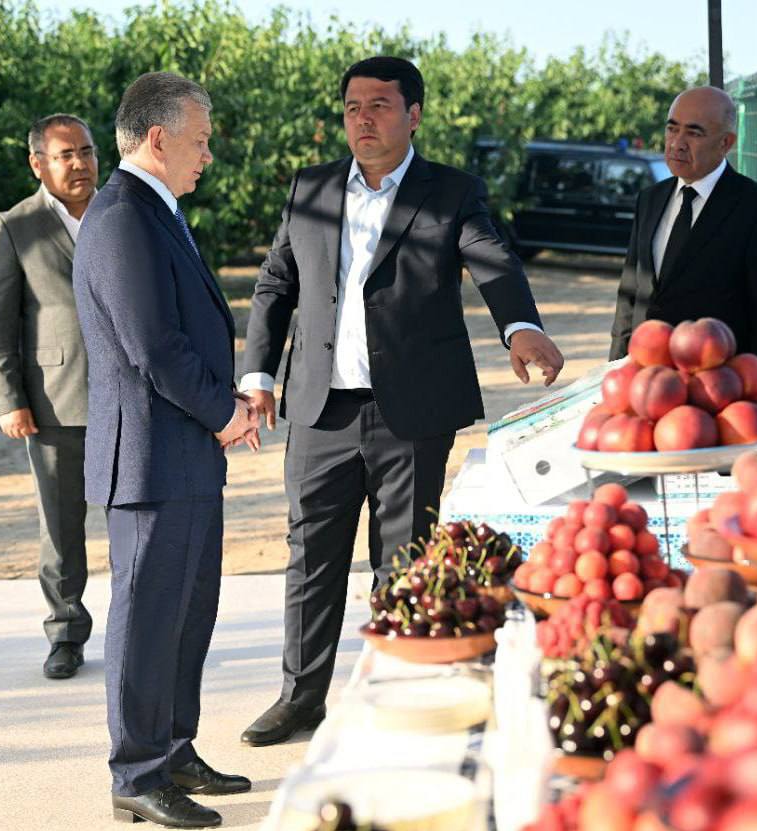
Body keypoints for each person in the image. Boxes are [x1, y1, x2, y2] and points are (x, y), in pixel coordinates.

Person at [238, 56, 565, 747]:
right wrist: (258, 373)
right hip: (321, 409)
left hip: (410, 412)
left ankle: (400, 694)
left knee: (405, 562)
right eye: (353, 107)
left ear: (413, 115)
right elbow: (275, 283)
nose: (364, 119)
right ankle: (300, 699)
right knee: (311, 558)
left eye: (380, 106)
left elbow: (493, 260)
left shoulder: (451, 192)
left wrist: (521, 326)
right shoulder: (311, 188)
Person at [73, 71, 256, 830]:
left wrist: (223, 405)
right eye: (200, 141)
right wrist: (225, 413)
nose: (207, 156)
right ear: (158, 138)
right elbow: (152, 346)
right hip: (151, 458)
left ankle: (174, 751)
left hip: (182, 454)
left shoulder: (157, 210)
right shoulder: (123, 216)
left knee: (187, 614)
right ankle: (137, 772)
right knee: (148, 619)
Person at [0, 113, 98, 680]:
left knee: (139, 520)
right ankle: (66, 634)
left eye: (86, 151)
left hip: (131, 396)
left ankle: (143, 632)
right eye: (65, 155)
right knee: (61, 525)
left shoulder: (123, 212)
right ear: (38, 164)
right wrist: (9, 398)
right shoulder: (16, 225)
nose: (79, 164)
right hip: (54, 400)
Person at [608, 86, 757, 366]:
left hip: (712, 376)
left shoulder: (756, 207)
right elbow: (630, 293)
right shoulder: (650, 199)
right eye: (672, 129)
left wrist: (753, 382)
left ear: (725, 143)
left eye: (694, 133)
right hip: (644, 372)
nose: (677, 143)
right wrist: (616, 366)